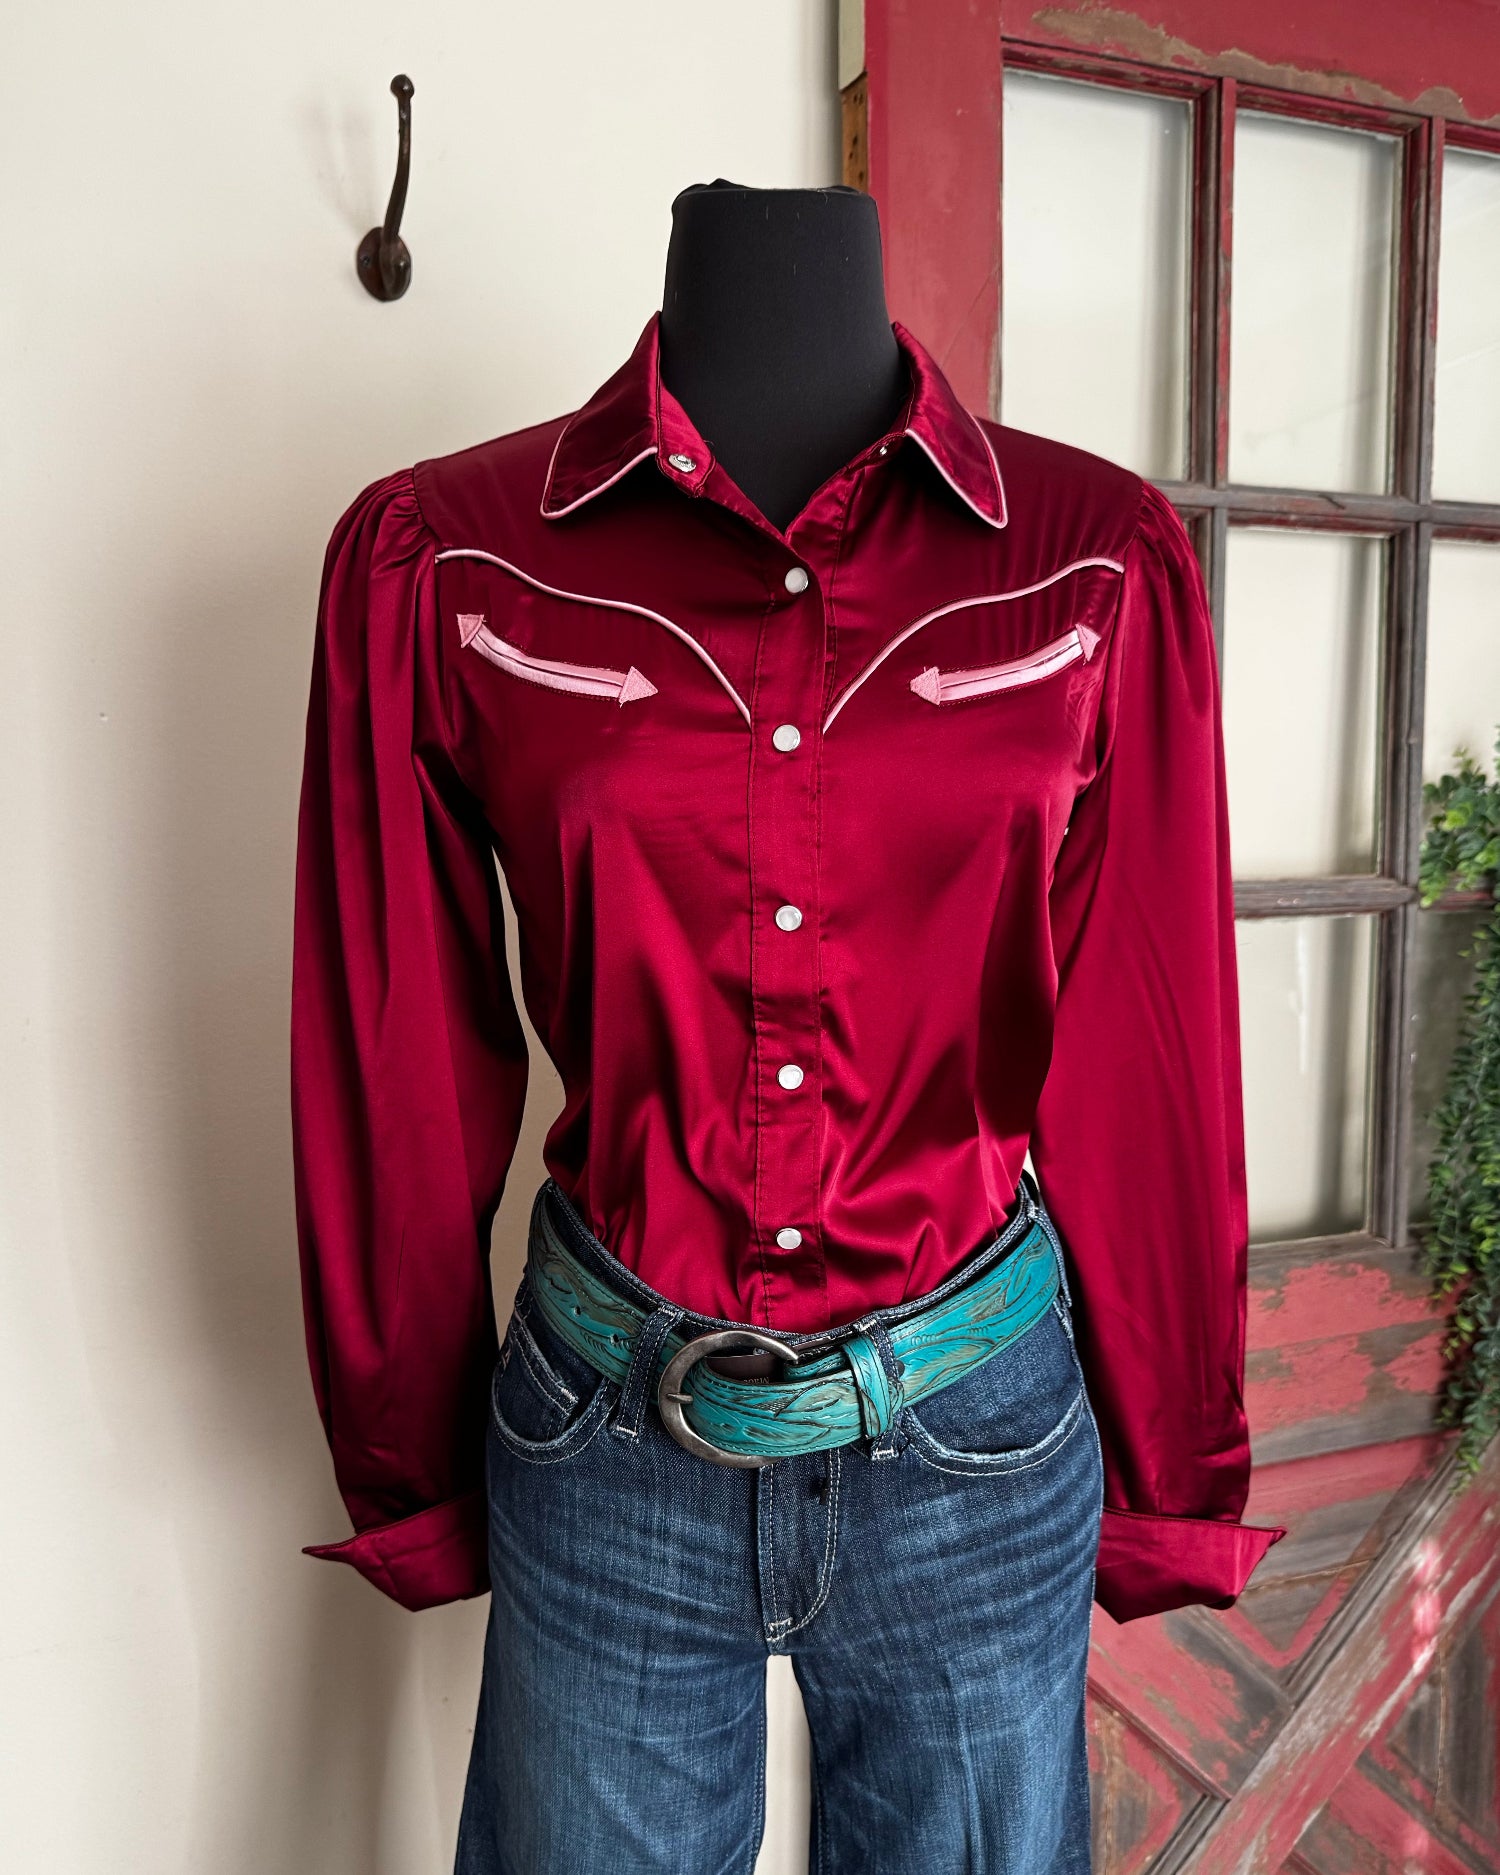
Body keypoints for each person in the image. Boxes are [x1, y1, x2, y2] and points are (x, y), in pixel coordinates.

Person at [290, 182, 1283, 1873]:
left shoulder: (1094, 562)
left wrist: (1176, 1450)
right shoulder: (444, 559)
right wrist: (404, 1444)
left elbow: (1148, 1040)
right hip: (609, 1427)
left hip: (976, 1417)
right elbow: (393, 1033)